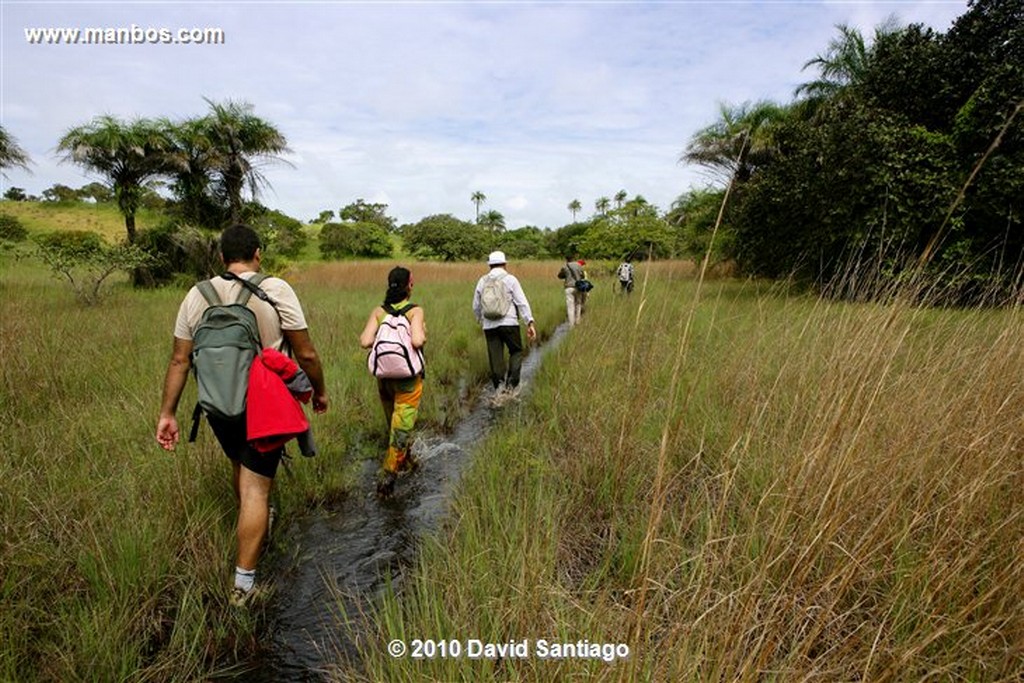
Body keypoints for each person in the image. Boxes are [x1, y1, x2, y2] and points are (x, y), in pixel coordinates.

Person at [155, 224, 328, 607]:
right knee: (256, 489)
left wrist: (167, 413)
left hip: (216, 404)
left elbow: (180, 359)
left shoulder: (196, 295)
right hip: (264, 405)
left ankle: (256, 526)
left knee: (241, 465)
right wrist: (319, 391)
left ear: (221, 258)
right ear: (258, 253)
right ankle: (243, 587)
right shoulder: (276, 289)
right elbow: (307, 354)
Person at [359, 266, 426, 498]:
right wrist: (422, 333)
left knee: (394, 426)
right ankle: (386, 480)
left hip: (384, 378)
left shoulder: (380, 311)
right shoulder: (414, 311)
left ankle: (406, 462)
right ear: (410, 285)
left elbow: (365, 341)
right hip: (408, 379)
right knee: (400, 431)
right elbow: (417, 341)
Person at [472, 251, 537, 402]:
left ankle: (498, 389)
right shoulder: (510, 279)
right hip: (509, 323)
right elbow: (522, 302)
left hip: (489, 325)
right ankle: (512, 387)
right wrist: (530, 322)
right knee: (516, 351)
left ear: (489, 265)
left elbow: (476, 305)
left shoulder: (482, 280)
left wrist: (481, 320)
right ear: (505, 263)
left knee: (495, 357)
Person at [557, 254, 586, 326]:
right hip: (577, 287)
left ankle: (571, 325)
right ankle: (577, 321)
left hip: (569, 287)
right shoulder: (578, 265)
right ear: (574, 258)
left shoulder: (565, 266)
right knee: (578, 304)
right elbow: (583, 276)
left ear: (566, 259)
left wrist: (566, 275)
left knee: (570, 306)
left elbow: (559, 276)